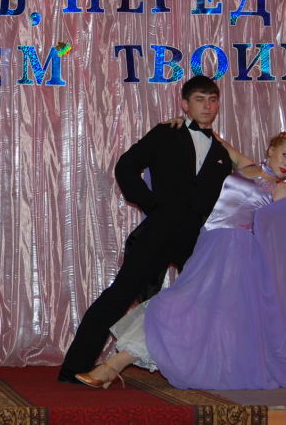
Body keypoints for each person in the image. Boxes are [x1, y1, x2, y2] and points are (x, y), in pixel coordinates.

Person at [74, 125, 286, 390]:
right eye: (285, 155)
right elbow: (210, 135)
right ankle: (114, 368)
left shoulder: (281, 189)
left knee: (179, 308)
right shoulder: (245, 166)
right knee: (182, 309)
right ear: (270, 150)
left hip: (235, 256)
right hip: (207, 247)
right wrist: (178, 123)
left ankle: (110, 368)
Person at [58, 76, 233, 383]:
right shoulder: (167, 133)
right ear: (185, 105)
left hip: (195, 239)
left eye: (212, 100)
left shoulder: (222, 153)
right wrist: (152, 205)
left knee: (209, 299)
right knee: (119, 295)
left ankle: (206, 366)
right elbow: (125, 166)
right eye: (199, 99)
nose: (207, 106)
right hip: (159, 231)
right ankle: (74, 368)